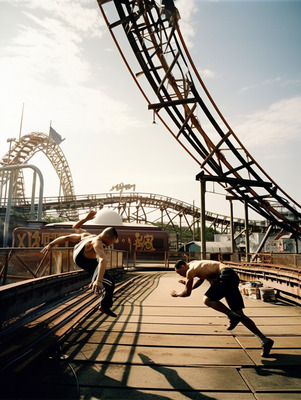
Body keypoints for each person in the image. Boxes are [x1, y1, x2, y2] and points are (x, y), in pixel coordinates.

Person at [171, 259, 274, 357]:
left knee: (207, 300)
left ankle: (231, 316)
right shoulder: (195, 264)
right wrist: (189, 284)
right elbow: (200, 280)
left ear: (183, 266)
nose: (182, 275)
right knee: (239, 314)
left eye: (180, 272)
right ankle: (264, 340)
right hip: (231, 276)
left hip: (224, 275)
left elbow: (187, 293)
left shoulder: (190, 271)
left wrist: (176, 294)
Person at [41, 210, 118, 317]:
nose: (110, 244)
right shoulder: (97, 242)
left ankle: (96, 284)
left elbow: (73, 229)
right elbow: (102, 260)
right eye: (112, 241)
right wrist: (99, 281)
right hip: (85, 261)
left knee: (105, 272)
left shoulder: (87, 235)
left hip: (78, 256)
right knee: (110, 282)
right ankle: (104, 306)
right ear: (108, 237)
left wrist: (51, 244)